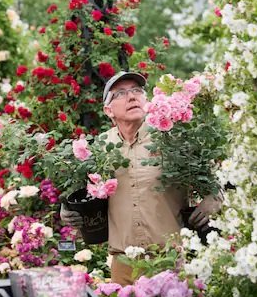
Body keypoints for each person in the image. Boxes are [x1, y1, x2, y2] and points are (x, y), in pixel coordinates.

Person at [60, 71, 223, 285]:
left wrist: (214, 198)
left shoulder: (174, 139)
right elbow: (79, 193)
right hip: (124, 264)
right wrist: (67, 210)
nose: (132, 97)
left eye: (137, 91)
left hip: (171, 261)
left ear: (146, 100)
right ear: (108, 110)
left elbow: (216, 178)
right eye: (121, 93)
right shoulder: (98, 149)